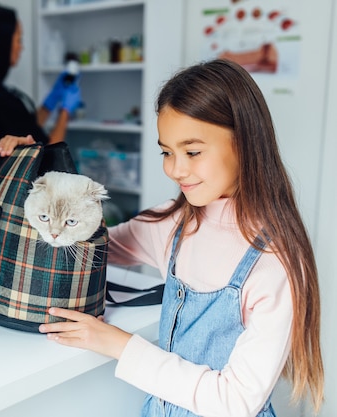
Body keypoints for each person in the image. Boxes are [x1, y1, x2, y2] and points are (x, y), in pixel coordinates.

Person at [37, 59, 324, 416]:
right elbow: (86, 241)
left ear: (245, 144)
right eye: (166, 152)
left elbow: (236, 402)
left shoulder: (275, 261)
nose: (175, 169)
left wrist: (121, 346)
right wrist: (33, 165)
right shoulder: (174, 224)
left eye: (192, 152)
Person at [0, 3, 81, 156]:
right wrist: (65, 111)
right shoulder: (3, 104)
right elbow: (50, 153)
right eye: (19, 39)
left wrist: (50, 103)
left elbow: (27, 129)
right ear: (2, 44)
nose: (21, 47)